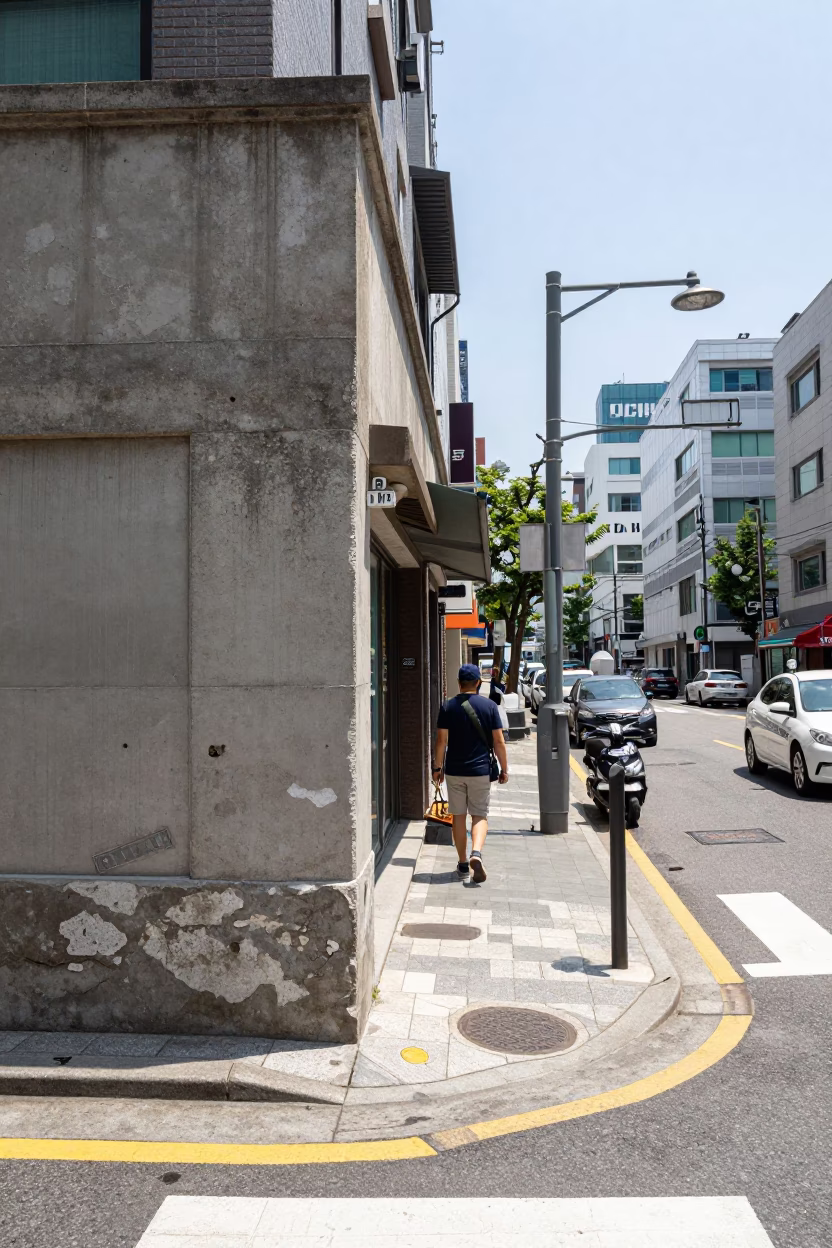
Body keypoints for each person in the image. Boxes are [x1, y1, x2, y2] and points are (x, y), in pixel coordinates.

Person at [432, 664, 509, 883]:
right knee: (479, 815)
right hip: (480, 771)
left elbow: (441, 741)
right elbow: (499, 741)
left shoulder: (448, 707)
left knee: (458, 816)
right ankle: (476, 853)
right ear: (478, 683)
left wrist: (437, 768)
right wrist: (504, 769)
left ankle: (463, 863)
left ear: (459, 683)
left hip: (454, 771)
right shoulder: (490, 706)